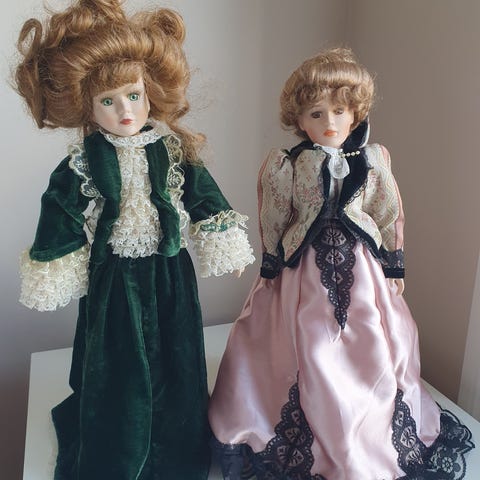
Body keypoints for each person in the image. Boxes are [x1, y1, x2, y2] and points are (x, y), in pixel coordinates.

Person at [208, 48, 474, 480]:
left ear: (355, 113)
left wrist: (394, 265)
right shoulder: (288, 164)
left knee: (373, 336)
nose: (329, 122)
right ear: (300, 119)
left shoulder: (372, 160)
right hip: (303, 270)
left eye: (339, 111)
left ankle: (367, 428)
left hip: (362, 266)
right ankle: (289, 422)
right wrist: (271, 262)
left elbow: (387, 212)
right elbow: (275, 214)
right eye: (316, 113)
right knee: (303, 342)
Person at [15, 1, 255, 479]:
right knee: (116, 362)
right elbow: (61, 211)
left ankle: (176, 446)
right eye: (108, 101)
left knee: (178, 356)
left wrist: (225, 243)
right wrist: (57, 267)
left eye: (133, 95)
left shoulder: (173, 151)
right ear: (86, 105)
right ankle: (119, 446)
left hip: (170, 273)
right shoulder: (82, 162)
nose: (125, 110)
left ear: (150, 91)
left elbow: (204, 196)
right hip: (113, 280)